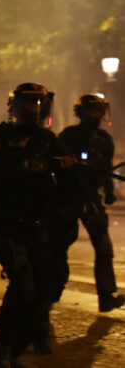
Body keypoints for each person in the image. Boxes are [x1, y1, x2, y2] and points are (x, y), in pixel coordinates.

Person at [0, 83, 75, 367]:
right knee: (24, 285)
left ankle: (14, 341)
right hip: (8, 226)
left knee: (44, 287)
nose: (35, 110)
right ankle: (5, 349)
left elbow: (68, 186)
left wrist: (68, 171)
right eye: (30, 104)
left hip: (39, 227)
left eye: (39, 104)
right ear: (16, 108)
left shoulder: (48, 141)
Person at [58, 94, 124, 312]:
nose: (95, 116)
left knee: (103, 247)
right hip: (69, 198)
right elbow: (57, 168)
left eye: (98, 111)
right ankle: (49, 289)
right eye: (92, 111)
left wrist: (108, 191)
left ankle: (107, 296)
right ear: (81, 113)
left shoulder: (104, 139)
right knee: (59, 245)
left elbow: (106, 167)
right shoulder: (68, 136)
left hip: (92, 199)